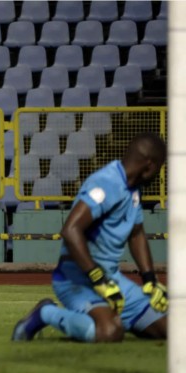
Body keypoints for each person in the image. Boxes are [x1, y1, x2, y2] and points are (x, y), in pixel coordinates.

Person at [12, 132, 168, 343]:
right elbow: (70, 230)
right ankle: (45, 312)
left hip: (111, 281)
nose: (159, 174)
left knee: (171, 329)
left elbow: (137, 233)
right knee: (109, 333)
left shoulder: (132, 189)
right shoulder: (106, 183)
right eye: (159, 168)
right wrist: (98, 279)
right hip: (76, 280)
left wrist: (150, 280)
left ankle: (117, 315)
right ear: (149, 166)